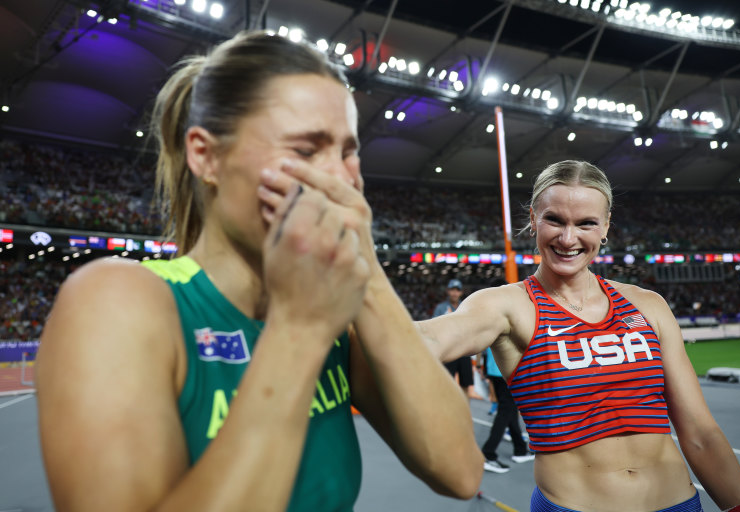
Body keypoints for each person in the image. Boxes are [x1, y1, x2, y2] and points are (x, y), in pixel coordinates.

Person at [35, 31, 483, 512]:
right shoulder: (120, 301)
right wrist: (300, 328)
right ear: (206, 156)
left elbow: (459, 471)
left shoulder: (339, 319)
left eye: (349, 152)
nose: (341, 179)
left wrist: (368, 272)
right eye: (306, 151)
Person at [418, 160, 740, 512]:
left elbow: (700, 433)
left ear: (606, 226)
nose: (568, 239)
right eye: (554, 220)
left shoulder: (647, 305)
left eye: (585, 223)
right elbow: (432, 338)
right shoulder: (506, 305)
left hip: (678, 504)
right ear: (533, 217)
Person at [480, 346, 534, 473]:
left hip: (494, 369)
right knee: (505, 412)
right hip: (507, 371)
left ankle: (520, 450)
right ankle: (488, 454)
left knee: (510, 410)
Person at [433, 279, 475, 399]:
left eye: (457, 290)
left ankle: (465, 413)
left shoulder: (467, 306)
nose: (454, 293)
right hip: (448, 350)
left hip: (464, 351)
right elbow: (435, 329)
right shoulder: (441, 308)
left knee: (466, 385)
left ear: (461, 292)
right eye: (452, 290)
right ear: (448, 291)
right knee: (446, 384)